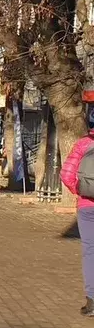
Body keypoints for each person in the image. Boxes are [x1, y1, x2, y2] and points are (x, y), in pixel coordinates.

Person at [60, 122, 94, 316]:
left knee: (91, 252)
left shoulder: (83, 144)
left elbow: (66, 174)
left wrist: (78, 191)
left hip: (87, 207)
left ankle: (92, 302)